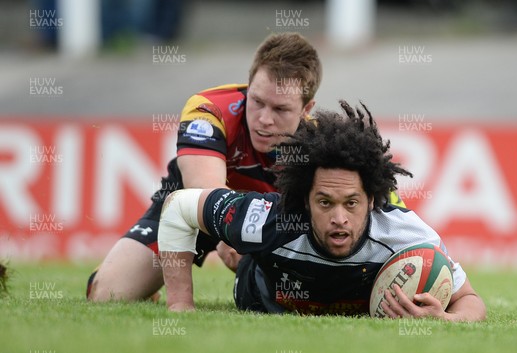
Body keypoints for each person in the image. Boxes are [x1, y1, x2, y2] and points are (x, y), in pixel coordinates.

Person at [157, 101, 487, 321]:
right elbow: (178, 208)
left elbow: (471, 301)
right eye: (325, 202)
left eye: (352, 203)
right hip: (258, 291)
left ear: (373, 200)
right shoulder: (265, 219)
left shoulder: (408, 236)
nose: (339, 218)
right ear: (304, 200)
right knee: (241, 252)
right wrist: (181, 306)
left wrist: (446, 319)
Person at [86, 32, 322, 301]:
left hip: (267, 220)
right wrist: (230, 236)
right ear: (249, 84)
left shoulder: (318, 144)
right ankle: (133, 278)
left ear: (307, 109)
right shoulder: (209, 109)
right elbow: (204, 191)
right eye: (257, 102)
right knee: (107, 295)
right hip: (191, 208)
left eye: (280, 110)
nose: (264, 119)